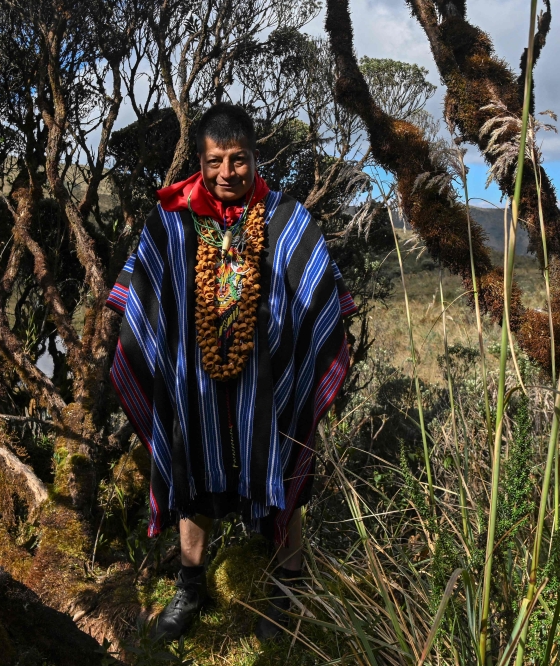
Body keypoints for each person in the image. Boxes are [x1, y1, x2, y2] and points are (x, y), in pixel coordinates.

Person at [106, 103, 356, 643]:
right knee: (193, 473)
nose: (227, 173)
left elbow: (320, 295)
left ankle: (289, 585)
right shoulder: (171, 220)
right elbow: (141, 295)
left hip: (272, 387)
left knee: (289, 472)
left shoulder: (287, 218)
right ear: (199, 161)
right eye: (215, 161)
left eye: (238, 160)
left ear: (253, 157)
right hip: (193, 384)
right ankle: (190, 584)